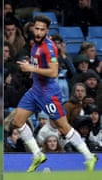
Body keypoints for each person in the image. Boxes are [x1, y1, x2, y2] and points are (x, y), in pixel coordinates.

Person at [13, 15, 97, 172]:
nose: (38, 32)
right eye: (36, 28)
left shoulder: (49, 47)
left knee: (64, 128)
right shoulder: (34, 45)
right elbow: (39, 67)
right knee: (17, 122)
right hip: (35, 91)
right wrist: (29, 66)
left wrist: (32, 68)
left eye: (41, 29)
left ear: (47, 30)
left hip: (48, 94)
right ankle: (37, 155)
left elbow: (53, 72)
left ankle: (88, 156)